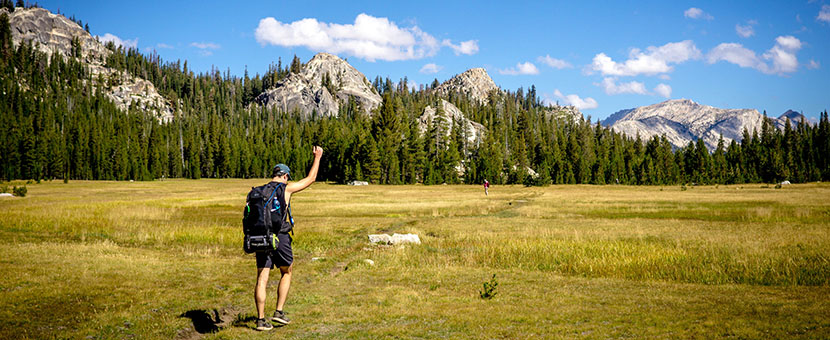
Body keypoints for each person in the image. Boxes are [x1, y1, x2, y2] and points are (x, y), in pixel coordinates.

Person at [254, 146, 323, 331]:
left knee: (262, 278)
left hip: (260, 237)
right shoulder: (285, 188)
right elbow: (311, 179)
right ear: (285, 176)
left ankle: (260, 320)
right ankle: (279, 312)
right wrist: (317, 157)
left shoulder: (259, 191)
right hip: (280, 236)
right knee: (287, 271)